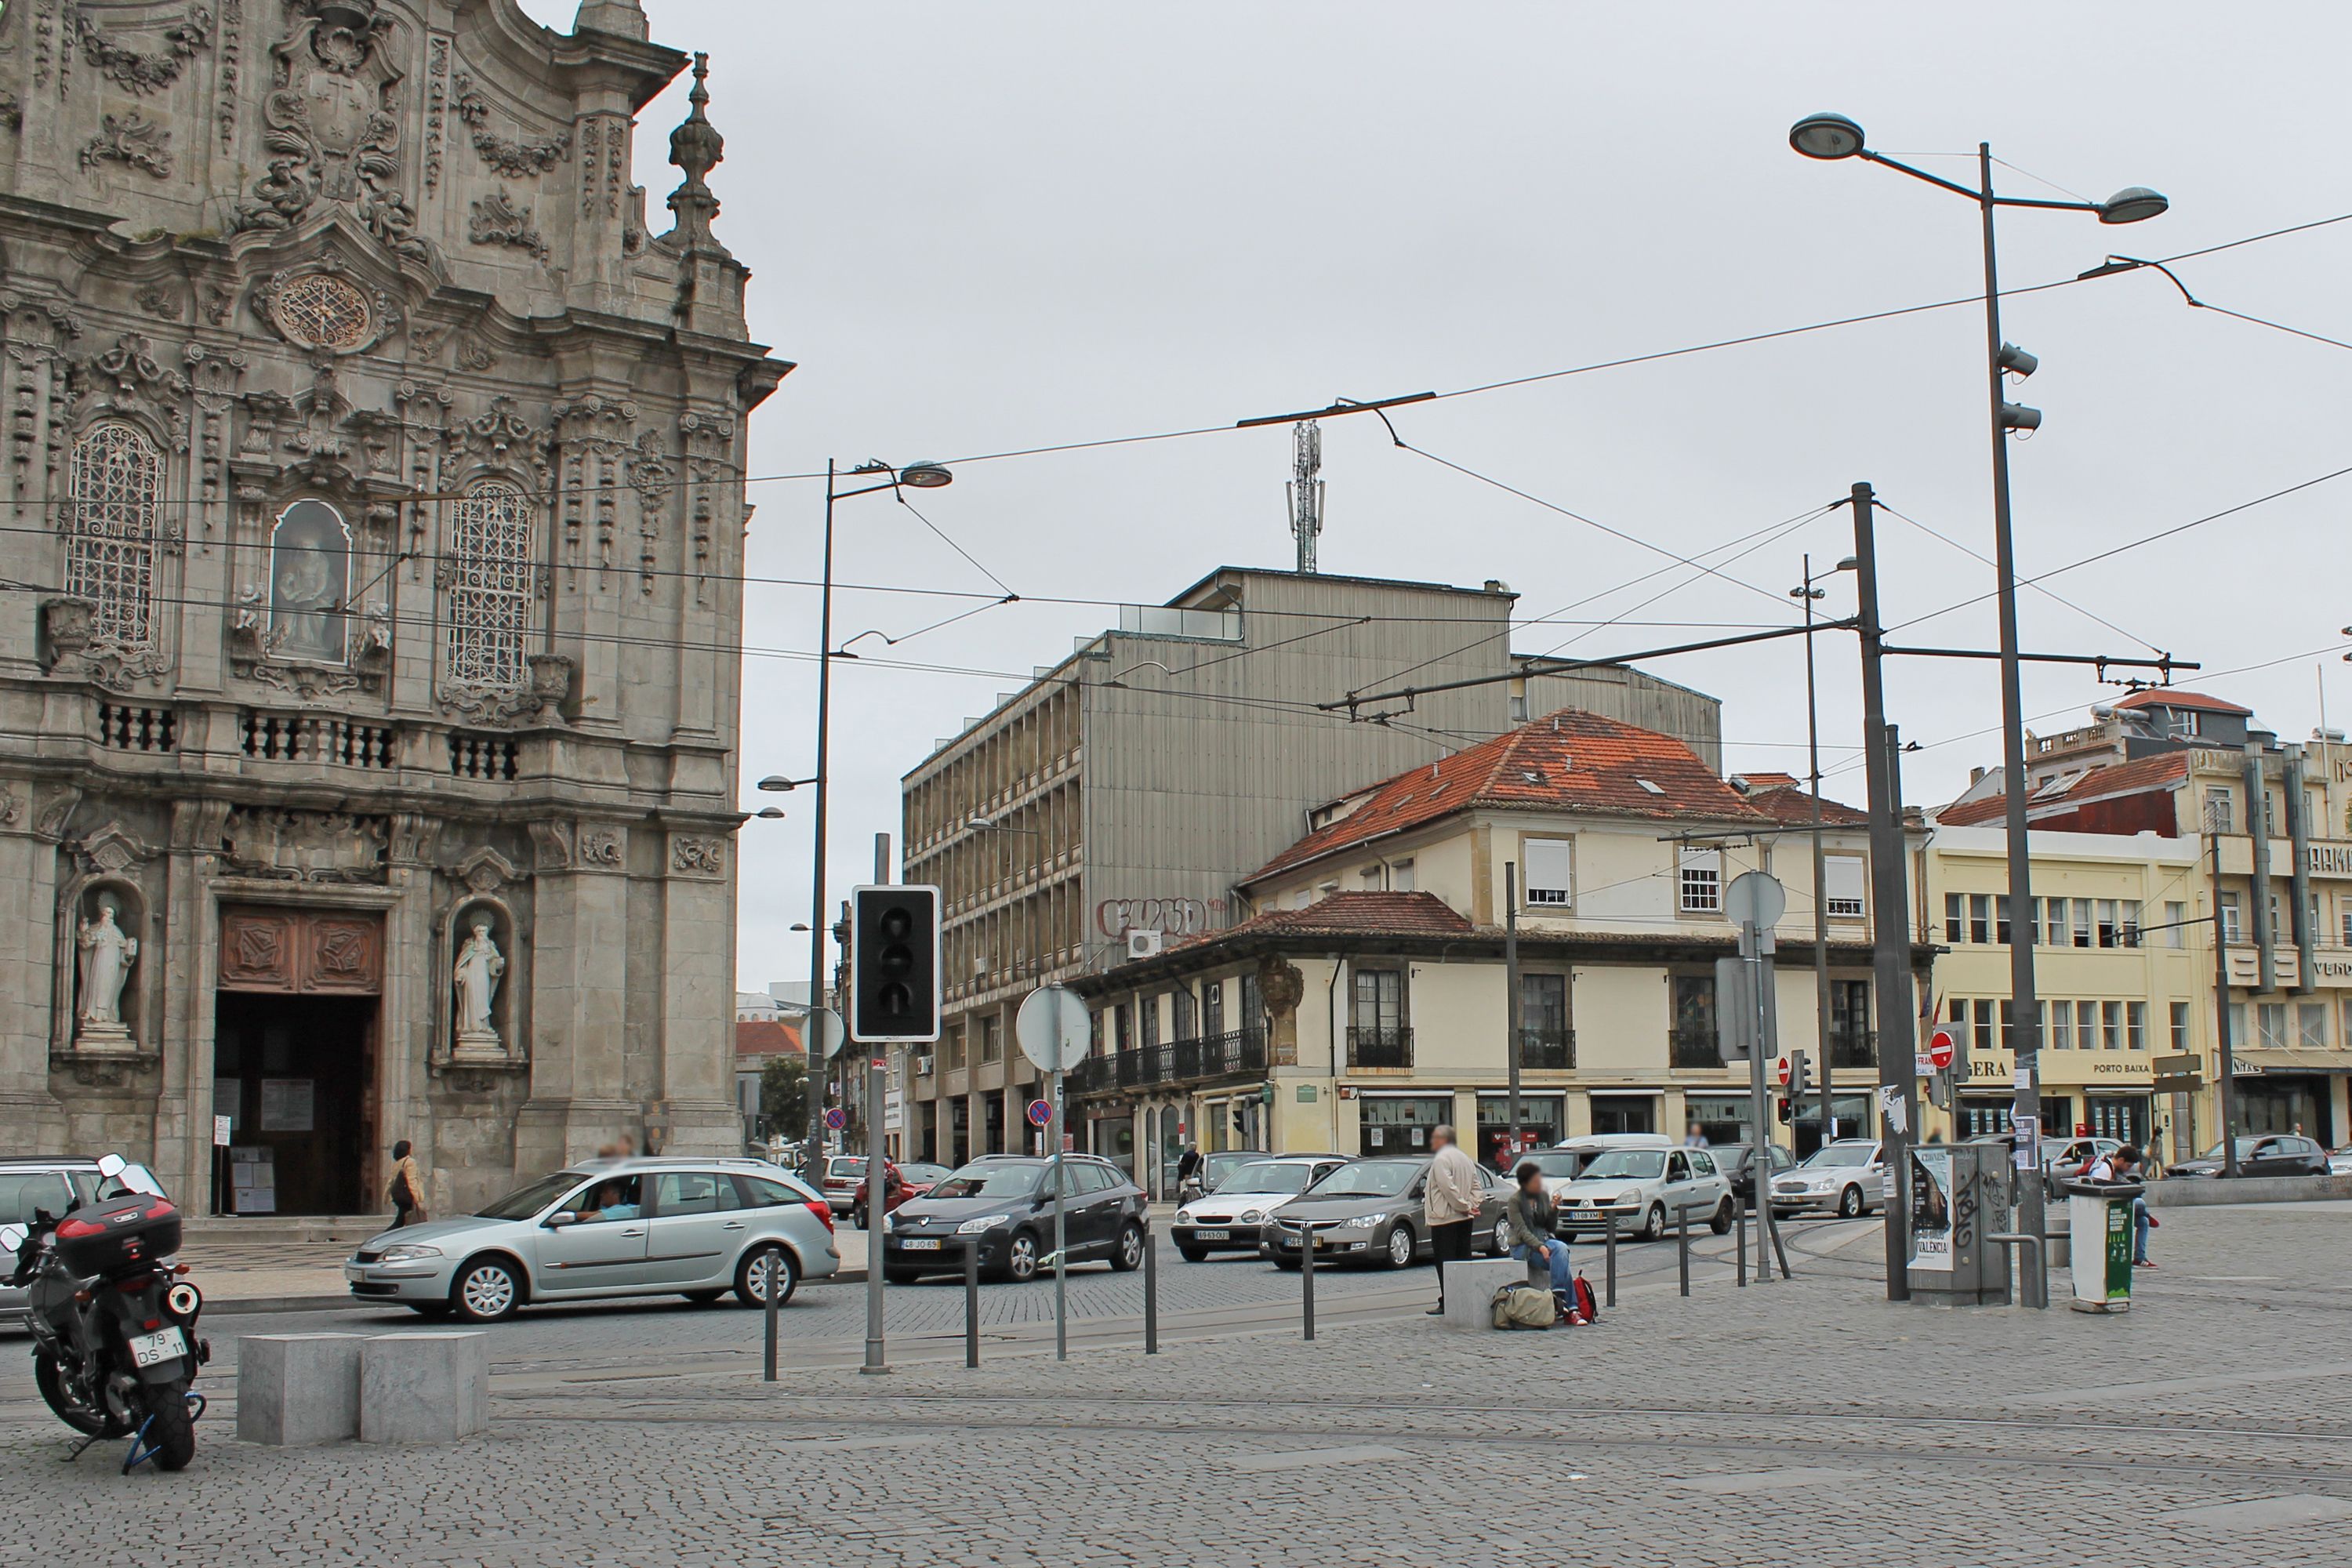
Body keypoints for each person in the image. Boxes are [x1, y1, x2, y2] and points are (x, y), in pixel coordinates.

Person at [1507, 1161, 1582, 1323]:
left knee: (1561, 1249)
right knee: (1563, 1265)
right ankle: (1572, 1310)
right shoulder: (1515, 1201)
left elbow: (1549, 1226)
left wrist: (1554, 1209)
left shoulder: (1542, 1196)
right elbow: (1521, 1230)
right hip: (1523, 1247)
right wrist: (1540, 1247)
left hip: (1545, 1241)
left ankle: (1557, 1295)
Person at [1424, 1123, 1482, 1316]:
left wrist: (1464, 1206)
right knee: (1463, 1259)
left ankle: (1448, 1302)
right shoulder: (1465, 1158)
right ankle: (1463, 1299)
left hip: (1445, 1218)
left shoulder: (1442, 1160)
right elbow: (1476, 1186)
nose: (1432, 1142)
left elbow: (1447, 1188)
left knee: (1446, 1262)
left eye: (1435, 1138)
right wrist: (1471, 1205)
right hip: (1464, 1219)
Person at [387, 1139, 426, 1228]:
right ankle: (385, 1237)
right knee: (401, 1221)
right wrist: (416, 1197)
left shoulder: (398, 1163)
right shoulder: (410, 1162)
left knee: (401, 1220)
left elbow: (391, 1181)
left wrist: (386, 1196)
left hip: (399, 1195)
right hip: (407, 1195)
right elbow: (411, 1180)